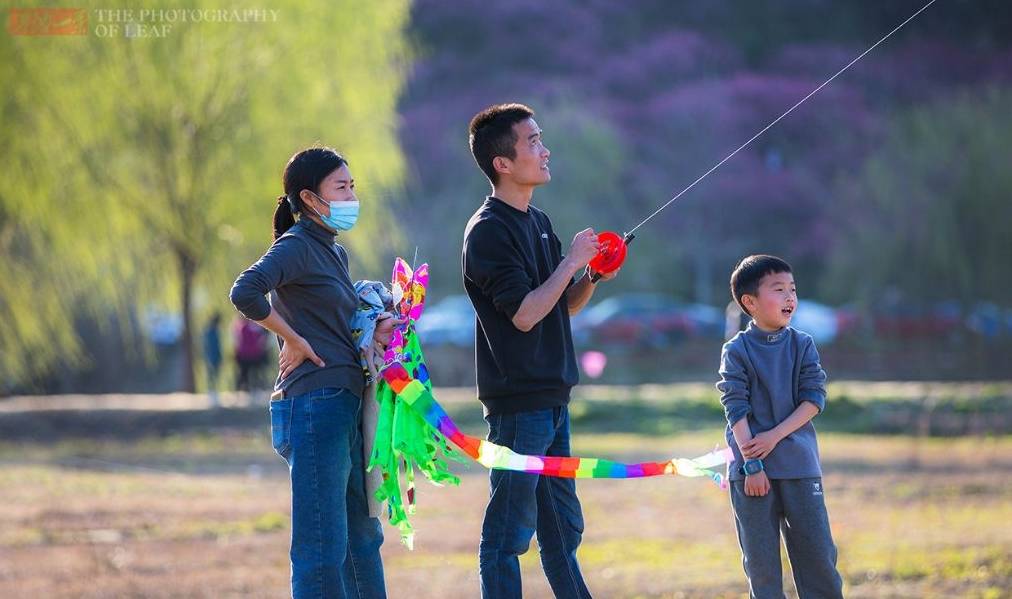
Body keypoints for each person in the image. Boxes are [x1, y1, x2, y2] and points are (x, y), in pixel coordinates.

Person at [462, 103, 617, 599]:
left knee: (562, 533)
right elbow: (525, 314)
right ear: (502, 163)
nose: (544, 149)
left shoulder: (539, 220)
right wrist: (571, 260)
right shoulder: (487, 231)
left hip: (553, 398)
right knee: (508, 537)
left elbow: (560, 306)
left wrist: (589, 275)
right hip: (518, 405)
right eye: (532, 141)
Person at [229, 147, 396, 599]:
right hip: (313, 406)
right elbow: (245, 292)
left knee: (363, 538)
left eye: (352, 186)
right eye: (340, 187)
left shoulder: (333, 254)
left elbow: (337, 321)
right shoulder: (297, 246)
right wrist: (292, 338)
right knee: (321, 547)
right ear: (309, 197)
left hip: (345, 401)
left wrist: (378, 326)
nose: (350, 195)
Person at [716, 254, 844, 599]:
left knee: (819, 562)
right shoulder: (737, 350)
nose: (790, 297)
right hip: (752, 475)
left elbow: (814, 399)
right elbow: (735, 407)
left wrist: (773, 436)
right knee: (762, 569)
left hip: (800, 469)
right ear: (750, 302)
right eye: (779, 289)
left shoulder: (803, 344)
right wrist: (753, 464)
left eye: (793, 289)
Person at [234, 316, 269, 392]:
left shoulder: (245, 327)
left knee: (249, 373)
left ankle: (251, 387)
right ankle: (245, 388)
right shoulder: (247, 328)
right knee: (246, 373)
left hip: (249, 353)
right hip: (248, 354)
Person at [202, 312, 223, 407]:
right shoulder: (210, 331)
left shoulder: (213, 331)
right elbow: (208, 346)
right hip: (211, 357)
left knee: (214, 375)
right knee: (211, 375)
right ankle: (211, 393)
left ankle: (214, 392)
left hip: (215, 356)